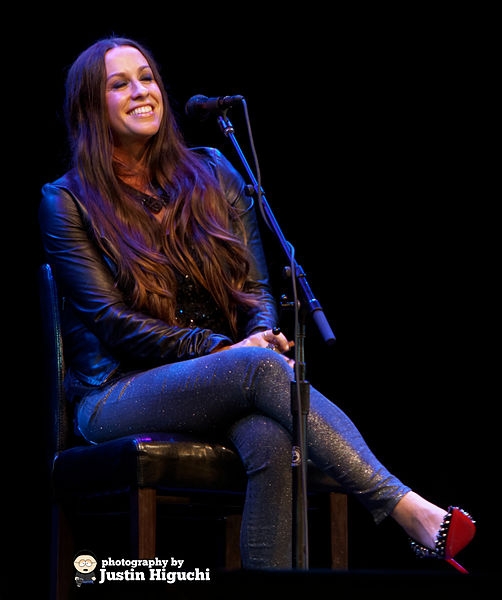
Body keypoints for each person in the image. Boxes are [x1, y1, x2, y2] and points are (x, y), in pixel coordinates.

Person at [39, 36, 476, 573]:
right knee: (259, 369)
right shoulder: (67, 200)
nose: (141, 92)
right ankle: (409, 511)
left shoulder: (212, 171)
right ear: (91, 105)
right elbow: (112, 321)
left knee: (271, 436)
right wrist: (226, 350)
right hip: (117, 391)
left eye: (147, 78)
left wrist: (260, 334)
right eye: (119, 84)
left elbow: (256, 288)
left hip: (225, 373)